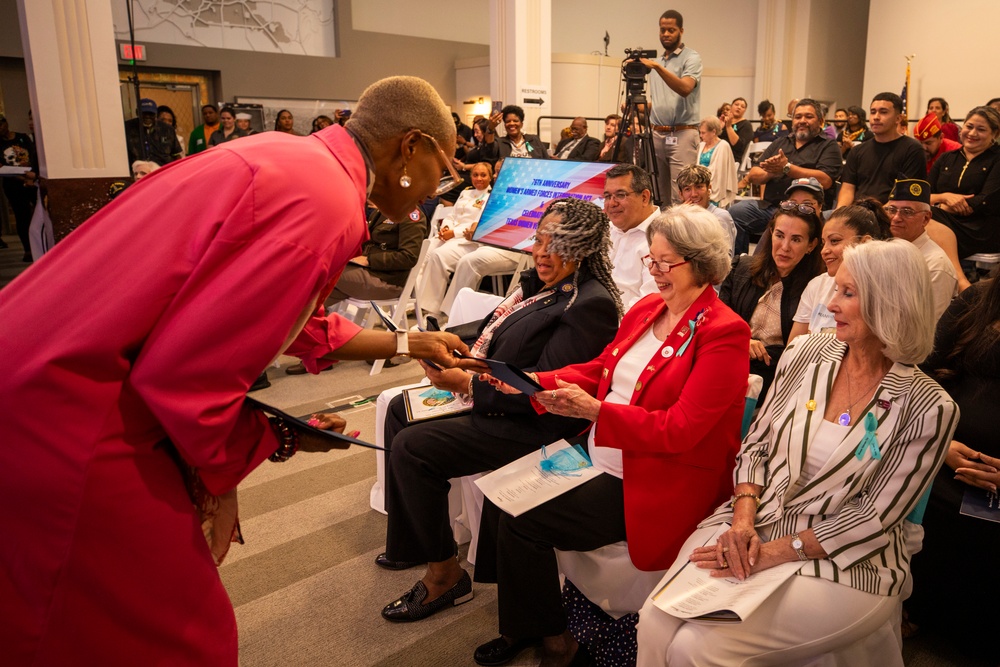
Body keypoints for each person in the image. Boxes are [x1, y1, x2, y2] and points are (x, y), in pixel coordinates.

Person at [0, 75, 481, 665]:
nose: (442, 186)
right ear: (412, 147)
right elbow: (184, 378)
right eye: (449, 165)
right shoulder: (326, 203)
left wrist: (409, 340)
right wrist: (266, 440)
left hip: (36, 374)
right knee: (177, 635)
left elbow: (281, 319)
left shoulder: (292, 159)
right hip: (75, 416)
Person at [636, 240, 958, 667]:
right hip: (754, 521)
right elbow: (759, 443)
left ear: (890, 302)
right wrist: (744, 519)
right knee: (653, 620)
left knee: (697, 649)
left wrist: (773, 552)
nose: (830, 304)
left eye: (848, 293)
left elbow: (874, 518)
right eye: (834, 288)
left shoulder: (929, 406)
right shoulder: (805, 353)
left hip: (847, 559)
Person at [471, 205, 749, 667]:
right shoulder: (647, 308)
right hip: (604, 451)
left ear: (701, 264)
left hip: (657, 474)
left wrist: (600, 411)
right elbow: (603, 368)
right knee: (501, 495)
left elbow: (682, 429)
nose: (655, 272)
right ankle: (528, 622)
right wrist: (536, 380)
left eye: (666, 263)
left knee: (524, 522)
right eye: (650, 260)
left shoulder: (724, 332)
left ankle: (554, 638)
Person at [378, 198, 623, 625]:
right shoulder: (538, 284)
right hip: (497, 399)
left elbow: (544, 390)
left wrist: (467, 382)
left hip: (537, 425)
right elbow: (489, 332)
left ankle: (445, 576)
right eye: (541, 239)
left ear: (582, 249)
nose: (541, 252)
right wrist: (444, 345)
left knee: (414, 447)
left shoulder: (589, 304)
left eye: (557, 244)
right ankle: (416, 547)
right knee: (399, 409)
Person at [910, 275, 1000, 663]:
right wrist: (940, 439)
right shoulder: (981, 297)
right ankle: (915, 613)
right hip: (945, 455)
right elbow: (924, 368)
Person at [720, 202, 824, 398]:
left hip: (774, 382)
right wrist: (743, 340)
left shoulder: (815, 290)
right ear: (770, 234)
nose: (785, 247)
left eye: (796, 239)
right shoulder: (741, 268)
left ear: (811, 245)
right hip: (727, 360)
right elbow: (717, 320)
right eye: (779, 235)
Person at [730, 99, 841, 255]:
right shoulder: (781, 142)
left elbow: (826, 180)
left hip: (806, 210)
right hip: (771, 206)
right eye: (798, 117)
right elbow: (754, 175)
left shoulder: (828, 145)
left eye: (808, 116)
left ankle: (761, 264)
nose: (802, 121)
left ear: (821, 121)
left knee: (780, 226)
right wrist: (774, 171)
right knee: (737, 212)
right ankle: (737, 264)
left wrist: (787, 168)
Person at [789, 199, 890, 339]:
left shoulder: (886, 293)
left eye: (834, 241)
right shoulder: (816, 285)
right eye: (823, 243)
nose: (824, 251)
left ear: (865, 242)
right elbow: (793, 350)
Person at [638, 9, 703, 205]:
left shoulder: (691, 58)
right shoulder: (657, 62)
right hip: (657, 134)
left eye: (671, 30)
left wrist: (658, 68)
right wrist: (639, 106)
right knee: (657, 194)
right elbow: (661, 103)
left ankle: (681, 236)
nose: (666, 34)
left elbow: (685, 89)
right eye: (662, 30)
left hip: (682, 133)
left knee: (682, 194)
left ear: (681, 31)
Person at [416, 161, 494, 317]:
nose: (478, 178)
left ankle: (432, 309)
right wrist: (446, 227)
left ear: (490, 177)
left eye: (483, 175)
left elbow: (478, 223)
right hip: (450, 235)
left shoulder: (491, 197)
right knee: (424, 251)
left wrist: (454, 233)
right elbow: (452, 214)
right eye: (475, 175)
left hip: (468, 240)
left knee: (439, 256)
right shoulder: (466, 193)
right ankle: (417, 302)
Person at [928, 106, 1000, 258]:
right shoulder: (946, 158)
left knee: (923, 216)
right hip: (942, 219)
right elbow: (924, 193)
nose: (973, 133)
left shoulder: (997, 158)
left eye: (981, 129)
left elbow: (985, 201)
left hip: (980, 228)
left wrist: (943, 208)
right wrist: (943, 197)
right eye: (969, 126)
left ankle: (958, 278)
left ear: (995, 133)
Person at [885, 178, 958, 321]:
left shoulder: (935, 265)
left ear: (926, 219)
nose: (896, 218)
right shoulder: (882, 251)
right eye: (891, 210)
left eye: (907, 212)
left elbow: (931, 328)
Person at [837, 92, 926, 207]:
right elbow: (847, 189)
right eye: (873, 112)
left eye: (883, 112)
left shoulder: (912, 149)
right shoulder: (857, 151)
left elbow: (906, 195)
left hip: (892, 215)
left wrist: (877, 216)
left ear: (898, 118)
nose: (876, 117)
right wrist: (840, 213)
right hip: (857, 214)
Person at [603, 164, 660, 307]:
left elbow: (650, 302)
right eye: (607, 196)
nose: (612, 203)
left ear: (645, 197)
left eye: (621, 195)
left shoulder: (665, 237)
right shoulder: (606, 230)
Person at [0, 112, 38, 261]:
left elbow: (33, 155)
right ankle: (28, 249)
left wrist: (31, 176)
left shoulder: (23, 137)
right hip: (13, 184)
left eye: (1, 124)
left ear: (6, 123)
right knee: (22, 217)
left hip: (32, 179)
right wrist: (22, 178)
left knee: (39, 212)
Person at [677, 165, 737, 257]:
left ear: (709, 189)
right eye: (687, 189)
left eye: (699, 187)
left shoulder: (720, 217)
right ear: (681, 194)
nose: (694, 194)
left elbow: (725, 259)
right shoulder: (677, 219)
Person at [124, 97, 182, 166]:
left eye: (151, 114)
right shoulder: (127, 128)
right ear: (137, 112)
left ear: (156, 114)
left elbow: (176, 155)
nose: (147, 116)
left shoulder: (167, 129)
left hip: (163, 171)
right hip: (138, 172)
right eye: (144, 113)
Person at [481, 104, 548, 162]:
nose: (511, 123)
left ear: (521, 124)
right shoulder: (500, 143)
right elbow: (489, 150)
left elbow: (546, 160)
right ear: (505, 125)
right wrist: (491, 127)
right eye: (508, 121)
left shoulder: (534, 140)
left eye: (515, 121)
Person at [695, 116, 736, 208]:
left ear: (713, 132)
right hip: (699, 183)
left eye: (703, 133)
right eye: (700, 133)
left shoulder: (723, 146)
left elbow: (720, 173)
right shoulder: (701, 145)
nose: (701, 136)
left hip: (714, 188)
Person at [721, 97, 753, 164]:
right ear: (731, 106)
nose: (739, 107)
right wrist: (719, 127)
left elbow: (738, 146)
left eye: (742, 106)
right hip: (718, 153)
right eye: (736, 104)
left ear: (745, 110)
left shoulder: (746, 125)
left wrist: (729, 127)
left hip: (732, 158)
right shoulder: (723, 121)